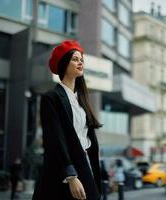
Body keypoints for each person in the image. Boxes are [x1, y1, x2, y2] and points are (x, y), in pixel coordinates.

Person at [32, 40, 102, 200]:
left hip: (86, 165)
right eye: (75, 59)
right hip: (64, 170)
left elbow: (87, 138)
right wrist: (71, 176)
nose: (80, 62)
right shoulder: (51, 98)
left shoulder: (82, 99)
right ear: (64, 63)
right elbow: (55, 140)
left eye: (82, 59)